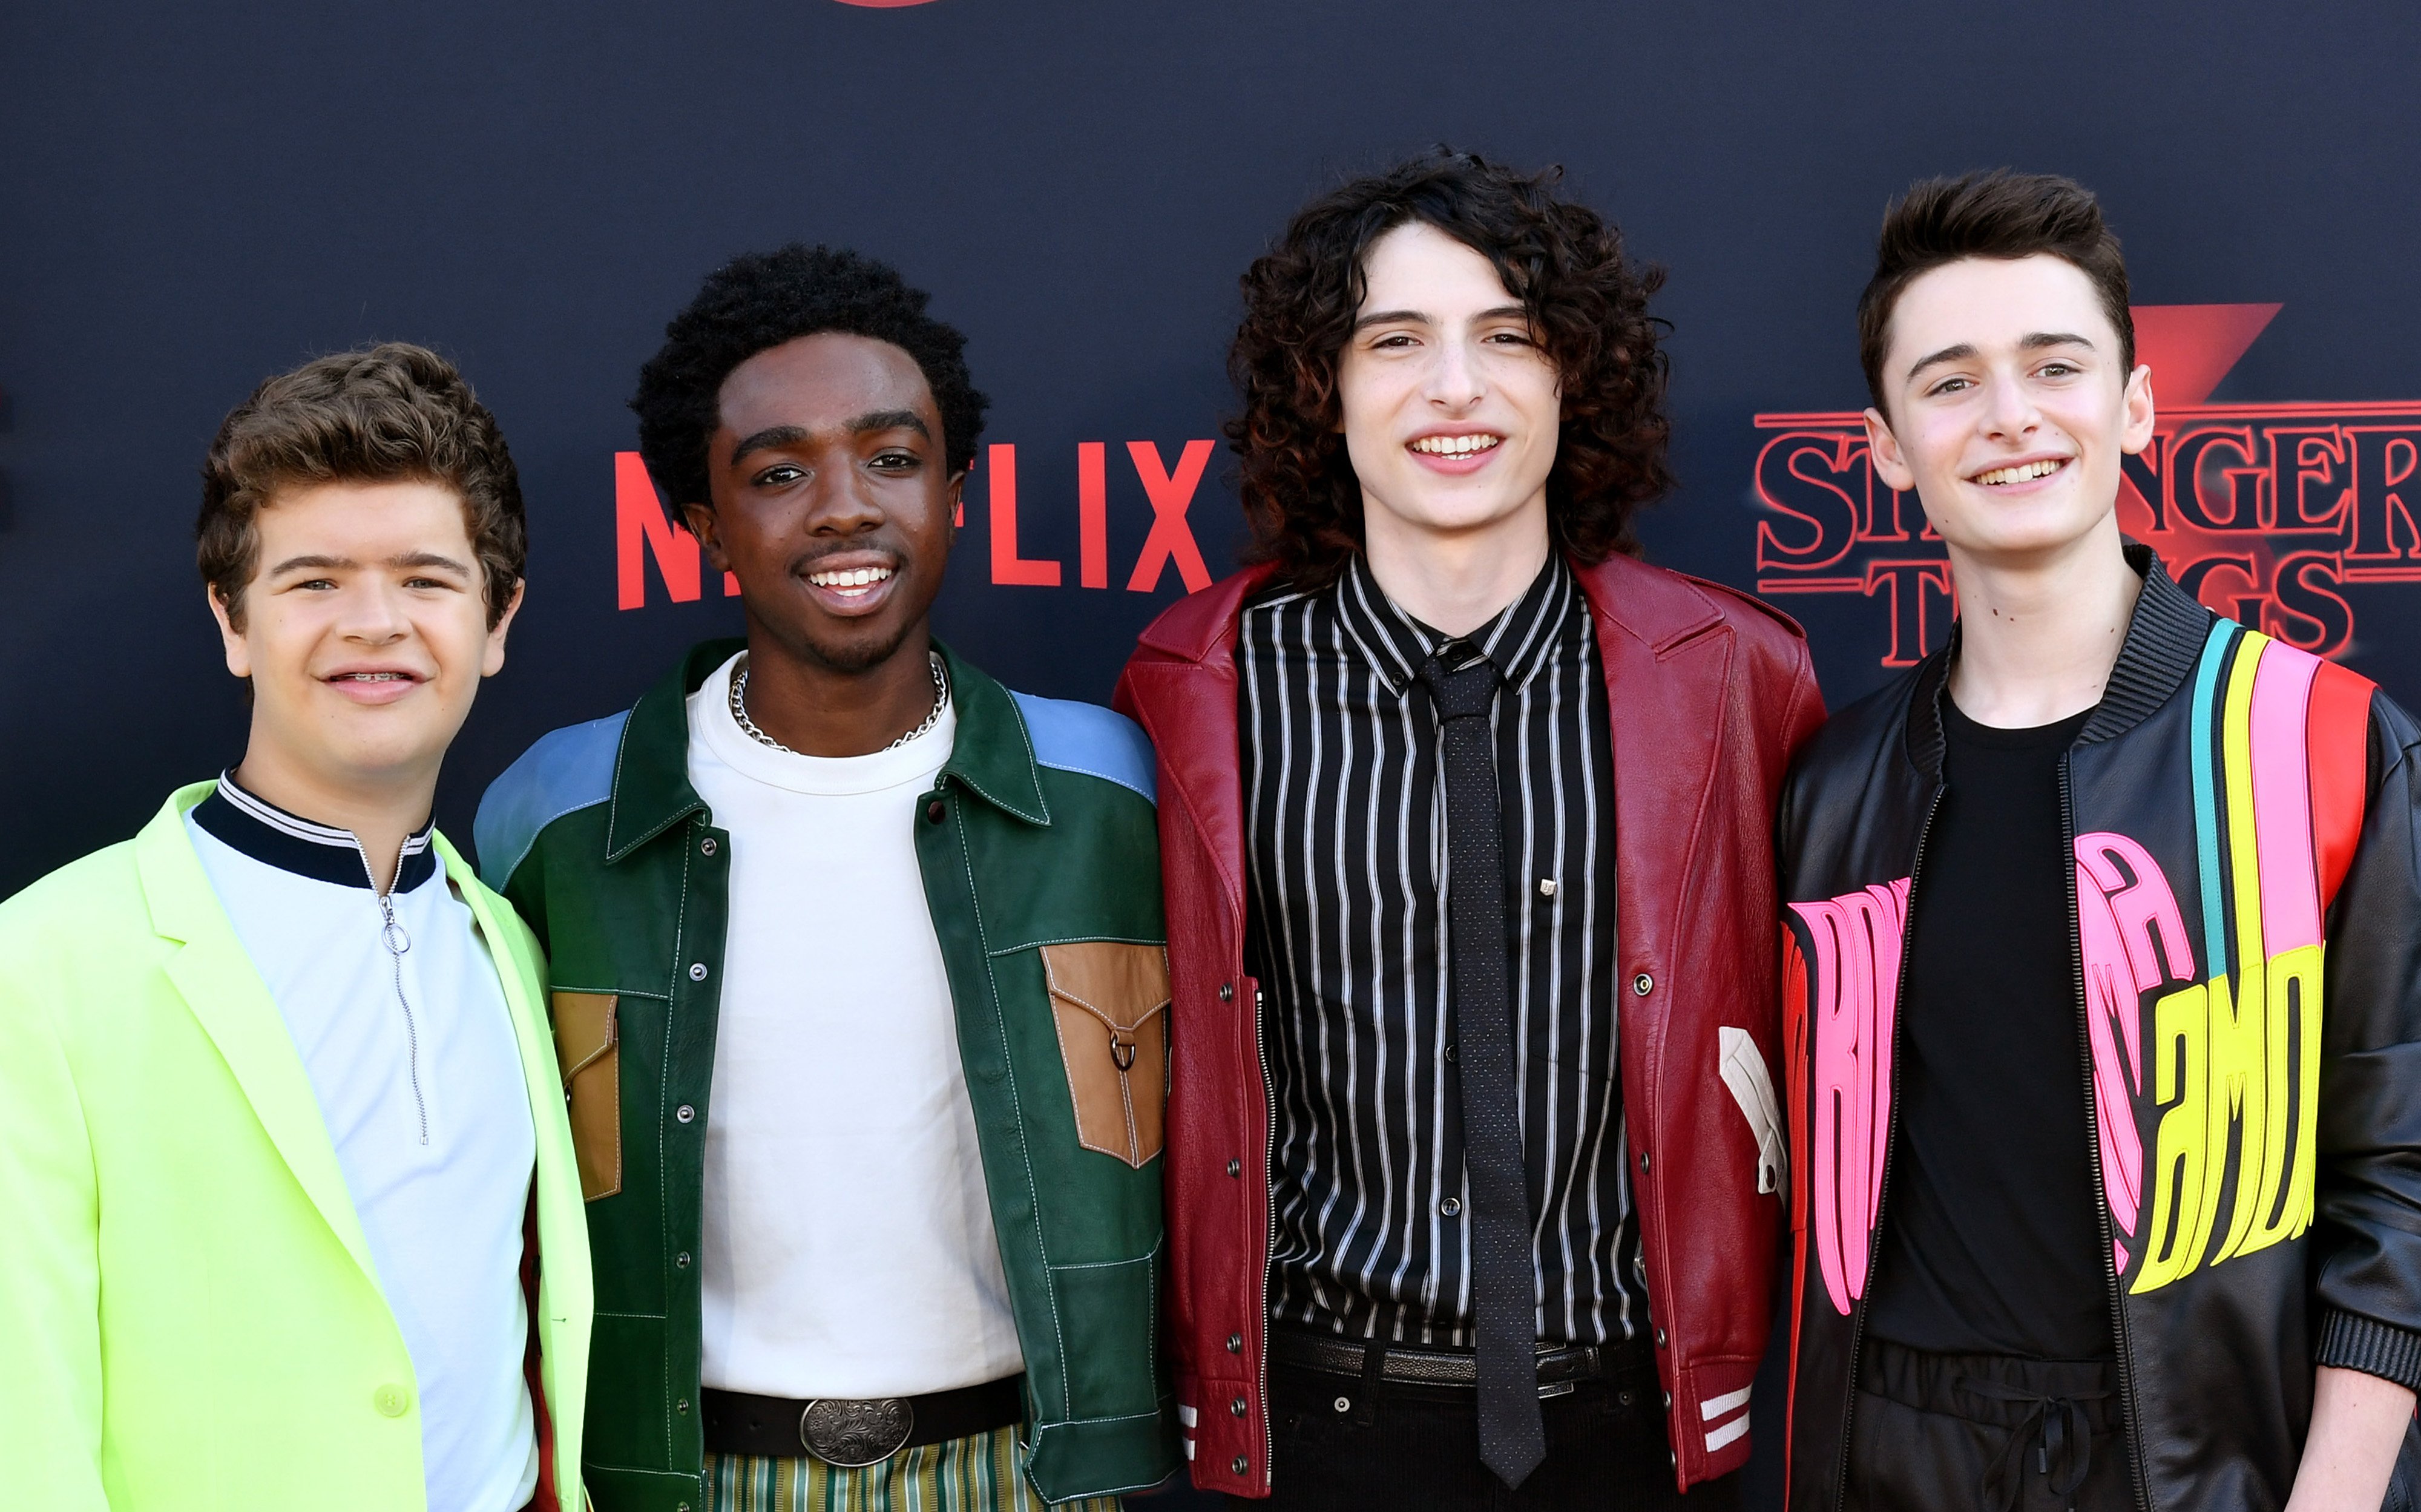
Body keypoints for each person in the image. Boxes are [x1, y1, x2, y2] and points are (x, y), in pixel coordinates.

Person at [1115, 150, 1824, 1508]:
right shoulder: (1197, 684)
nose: (1455, 385)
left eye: (1507, 335)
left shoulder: (1734, 674)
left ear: (1573, 378)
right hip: (1318, 1427)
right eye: (1395, 340)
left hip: (1643, 1430)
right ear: (1323, 389)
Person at [476, 245, 1175, 1512]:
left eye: (892, 458)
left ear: (955, 493)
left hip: (1027, 1473)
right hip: (689, 1479)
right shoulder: (559, 817)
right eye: (779, 472)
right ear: (703, 522)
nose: (846, 507)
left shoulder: (1110, 793)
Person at [1775, 169, 2421, 1512]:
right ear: (1886, 444)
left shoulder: (2321, 742)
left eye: (2053, 366)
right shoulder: (1833, 785)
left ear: (2133, 405)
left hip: (2202, 1468)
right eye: (1950, 380)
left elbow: (2401, 1178)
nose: (2009, 415)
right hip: (1890, 1453)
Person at [0, 344, 593, 1512]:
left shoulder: (512, 948)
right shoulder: (45, 962)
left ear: (497, 620)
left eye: (425, 579)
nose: (374, 623)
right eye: (315, 581)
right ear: (232, 621)